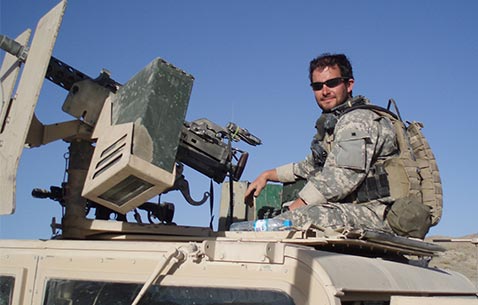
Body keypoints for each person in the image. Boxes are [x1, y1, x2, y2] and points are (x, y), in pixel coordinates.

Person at [244, 53, 401, 234]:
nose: (325, 91)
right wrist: (268, 175)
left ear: (349, 85)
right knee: (289, 216)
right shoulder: (336, 123)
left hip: (380, 213)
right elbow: (309, 166)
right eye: (318, 86)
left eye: (332, 83)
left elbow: (340, 178)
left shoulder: (358, 120)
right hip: (362, 210)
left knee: (291, 220)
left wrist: (292, 210)